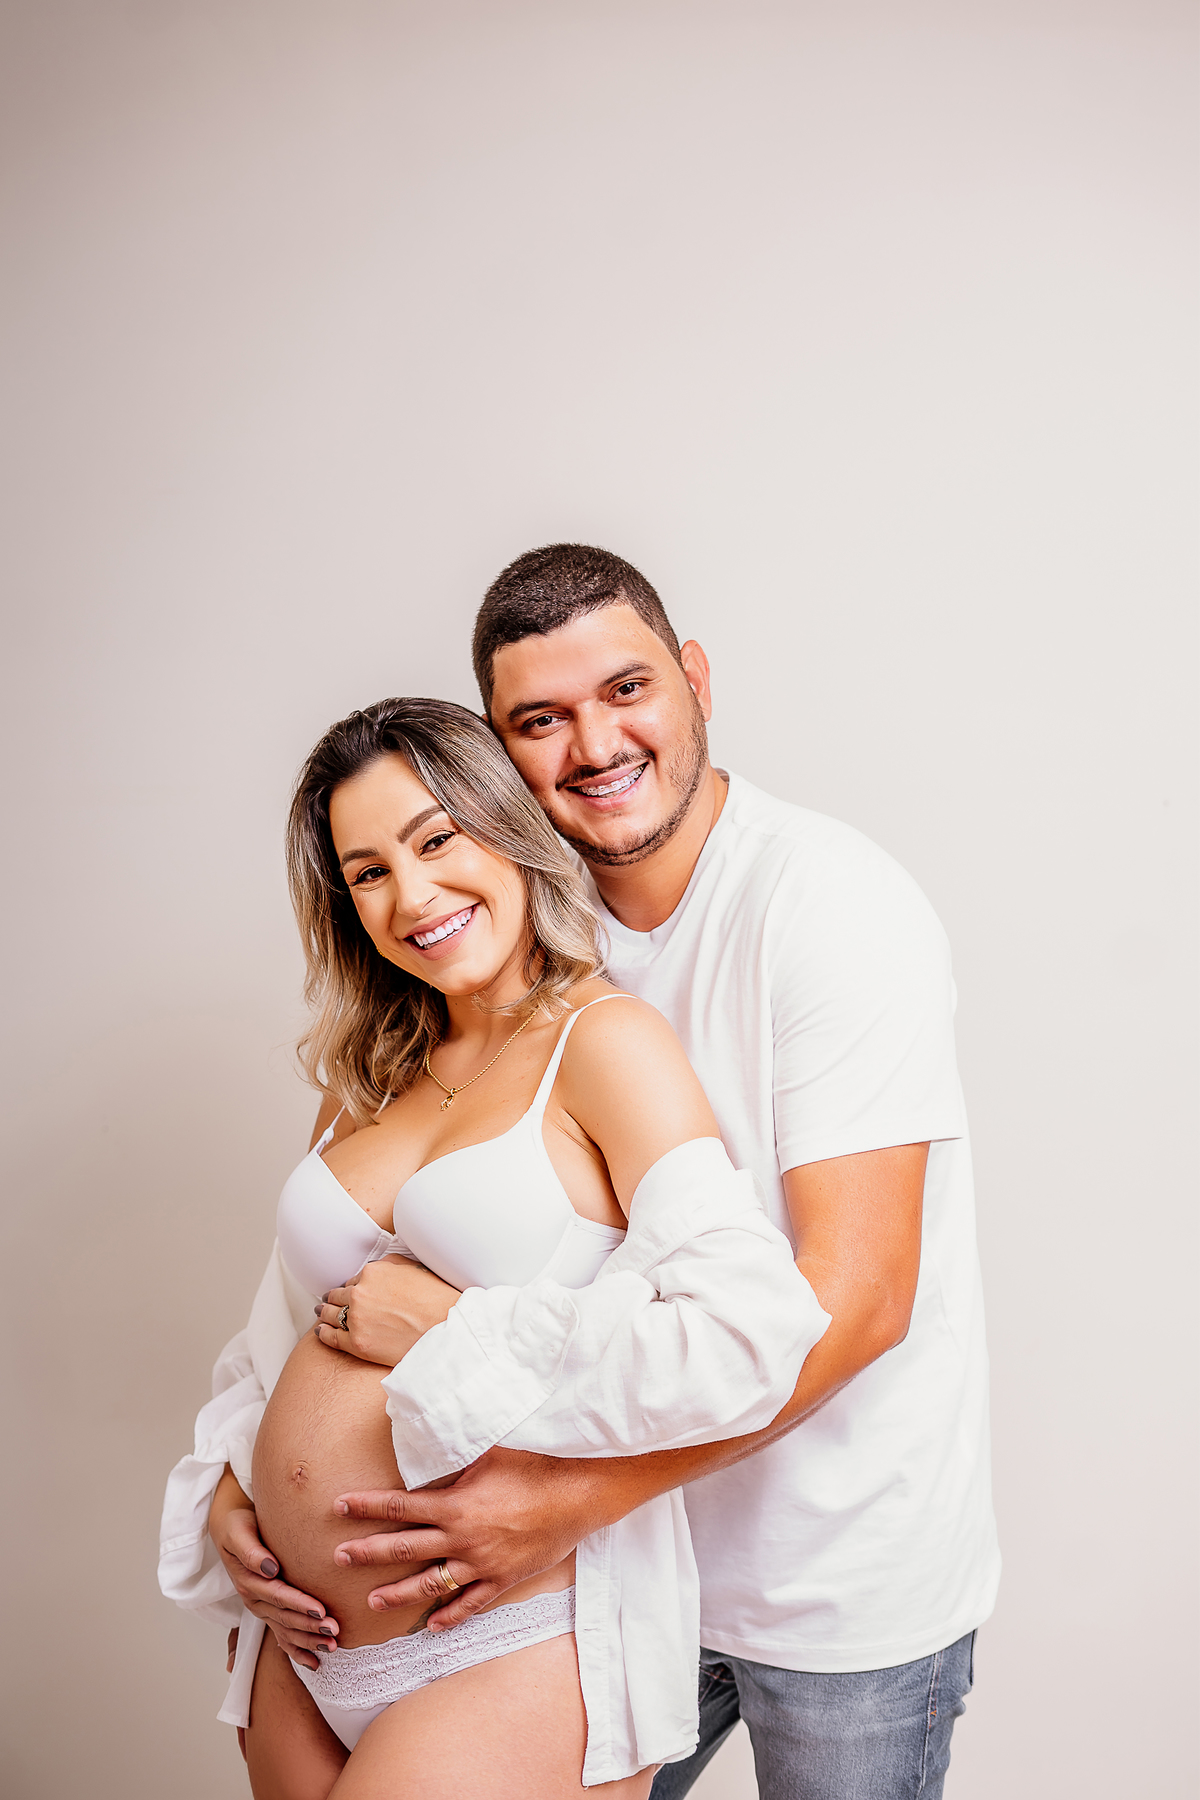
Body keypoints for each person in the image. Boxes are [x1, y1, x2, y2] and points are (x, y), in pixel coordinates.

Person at [280, 545, 1002, 1800]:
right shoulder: (505, 924)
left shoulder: (826, 905)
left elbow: (858, 1299)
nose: (595, 745)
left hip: (824, 1569)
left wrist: (567, 1501)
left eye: (627, 691)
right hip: (610, 1579)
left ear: (696, 682)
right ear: (498, 756)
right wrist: (239, 1480)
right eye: (540, 721)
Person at [159, 695, 830, 1797]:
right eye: (368, 872)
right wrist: (237, 1493)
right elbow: (276, 1343)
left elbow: (749, 1335)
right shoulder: (366, 1078)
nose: (412, 895)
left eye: (436, 840)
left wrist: (460, 1328)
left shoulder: (604, 1043)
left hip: (506, 1638)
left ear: (508, 829)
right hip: (304, 1644)